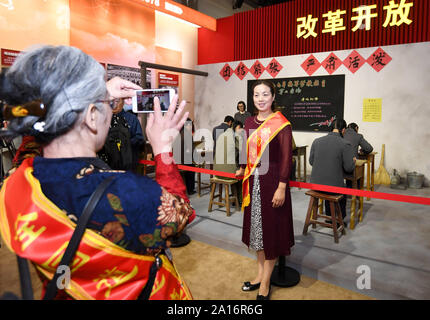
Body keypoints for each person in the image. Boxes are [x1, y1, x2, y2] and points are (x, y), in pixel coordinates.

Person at [0, 45, 194, 300]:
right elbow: (179, 214)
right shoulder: (129, 194)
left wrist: (97, 96)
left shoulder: (18, 182)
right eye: (104, 104)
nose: (110, 108)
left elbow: (34, 133)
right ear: (92, 116)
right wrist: (163, 148)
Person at [235, 80, 294, 300]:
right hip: (253, 184)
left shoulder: (281, 123)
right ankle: (260, 275)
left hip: (272, 184)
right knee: (257, 232)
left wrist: (281, 186)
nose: (260, 99)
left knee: (271, 232)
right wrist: (242, 168)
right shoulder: (249, 121)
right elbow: (245, 148)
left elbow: (287, 158)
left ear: (273, 97)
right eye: (256, 95)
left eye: (265, 94)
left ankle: (266, 283)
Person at [309, 118, 356, 222]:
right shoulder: (345, 144)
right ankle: (339, 220)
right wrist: (354, 161)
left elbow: (311, 162)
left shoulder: (317, 141)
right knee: (339, 188)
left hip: (315, 185)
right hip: (332, 187)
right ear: (343, 130)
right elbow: (349, 168)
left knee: (329, 184)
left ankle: (329, 217)